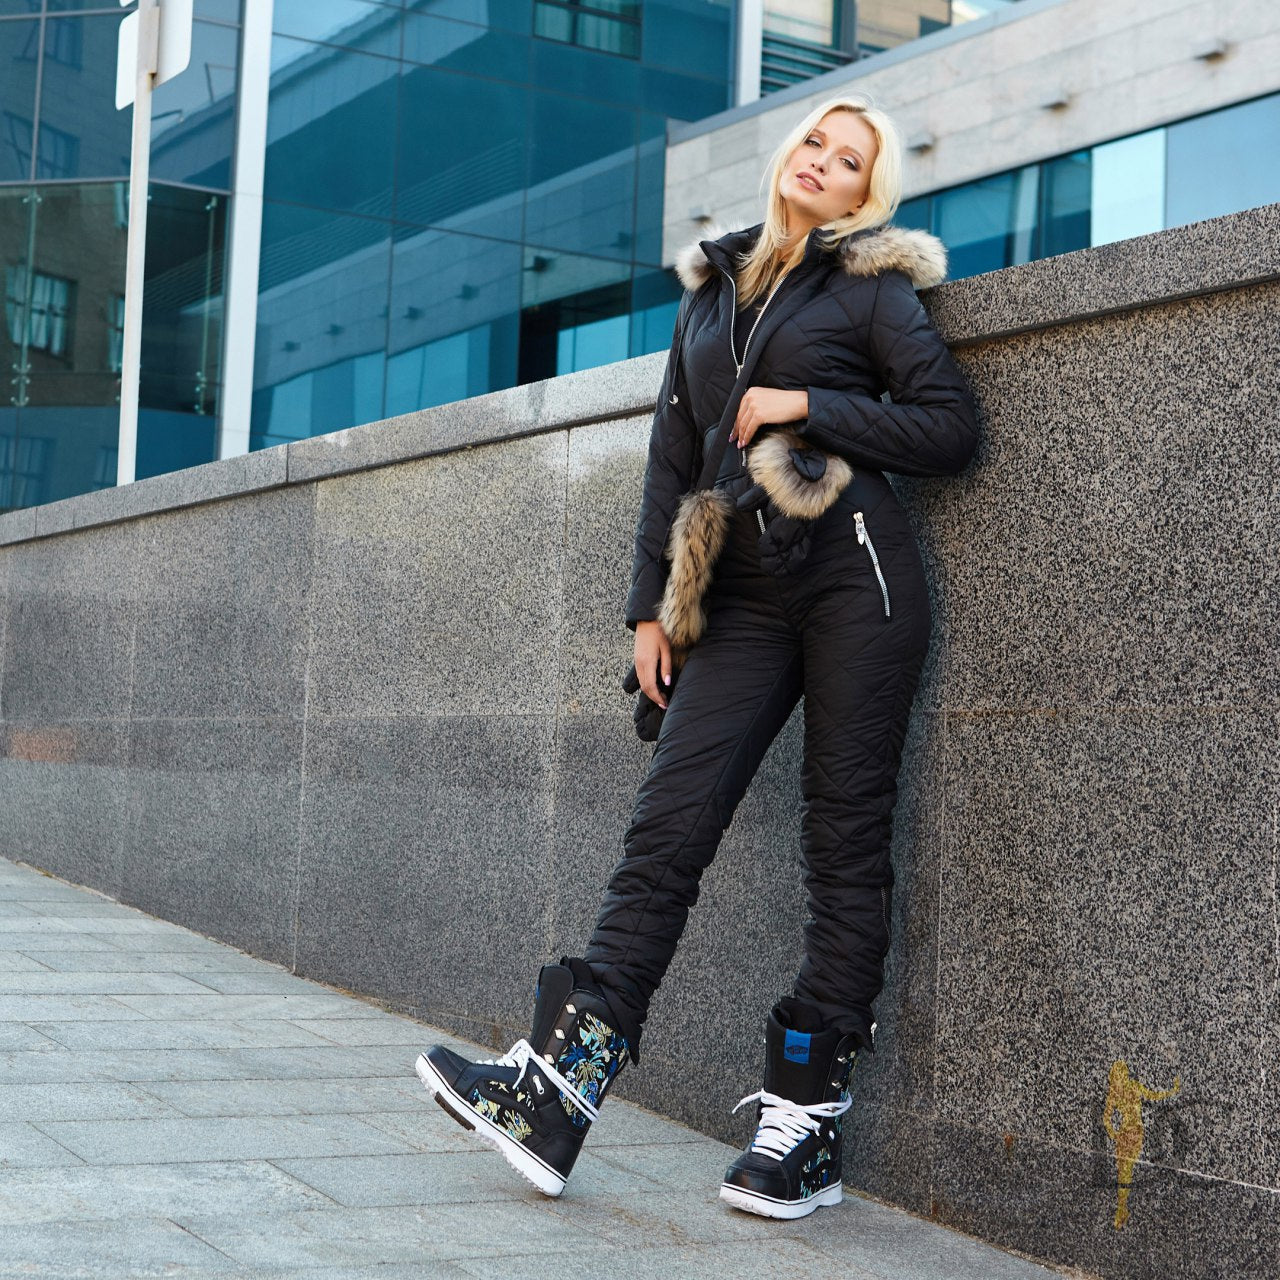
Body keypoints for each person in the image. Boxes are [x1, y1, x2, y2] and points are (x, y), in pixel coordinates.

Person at [415, 91, 980, 1219]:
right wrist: (647, 612)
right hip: (738, 597)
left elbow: (949, 426)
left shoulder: (871, 287)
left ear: (869, 194)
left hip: (855, 581)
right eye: (814, 141)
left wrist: (806, 404)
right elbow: (671, 460)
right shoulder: (712, 296)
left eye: (849, 158)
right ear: (786, 156)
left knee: (842, 840)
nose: (822, 161)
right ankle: (554, 1096)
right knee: (667, 825)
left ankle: (801, 1130)